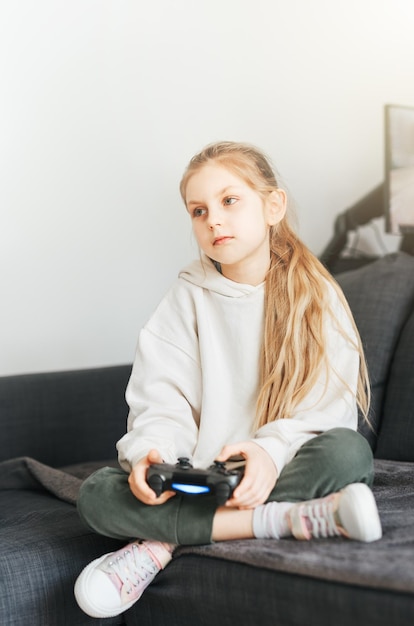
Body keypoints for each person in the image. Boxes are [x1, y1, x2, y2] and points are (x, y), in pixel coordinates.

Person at [74, 141, 382, 619]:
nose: (213, 220)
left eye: (229, 201)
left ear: (272, 206)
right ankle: (288, 519)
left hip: (279, 468)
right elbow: (161, 398)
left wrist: (267, 451)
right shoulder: (186, 297)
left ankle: (160, 542)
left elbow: (328, 409)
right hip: (198, 475)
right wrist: (151, 452)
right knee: (96, 494)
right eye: (199, 211)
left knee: (348, 451)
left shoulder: (318, 295)